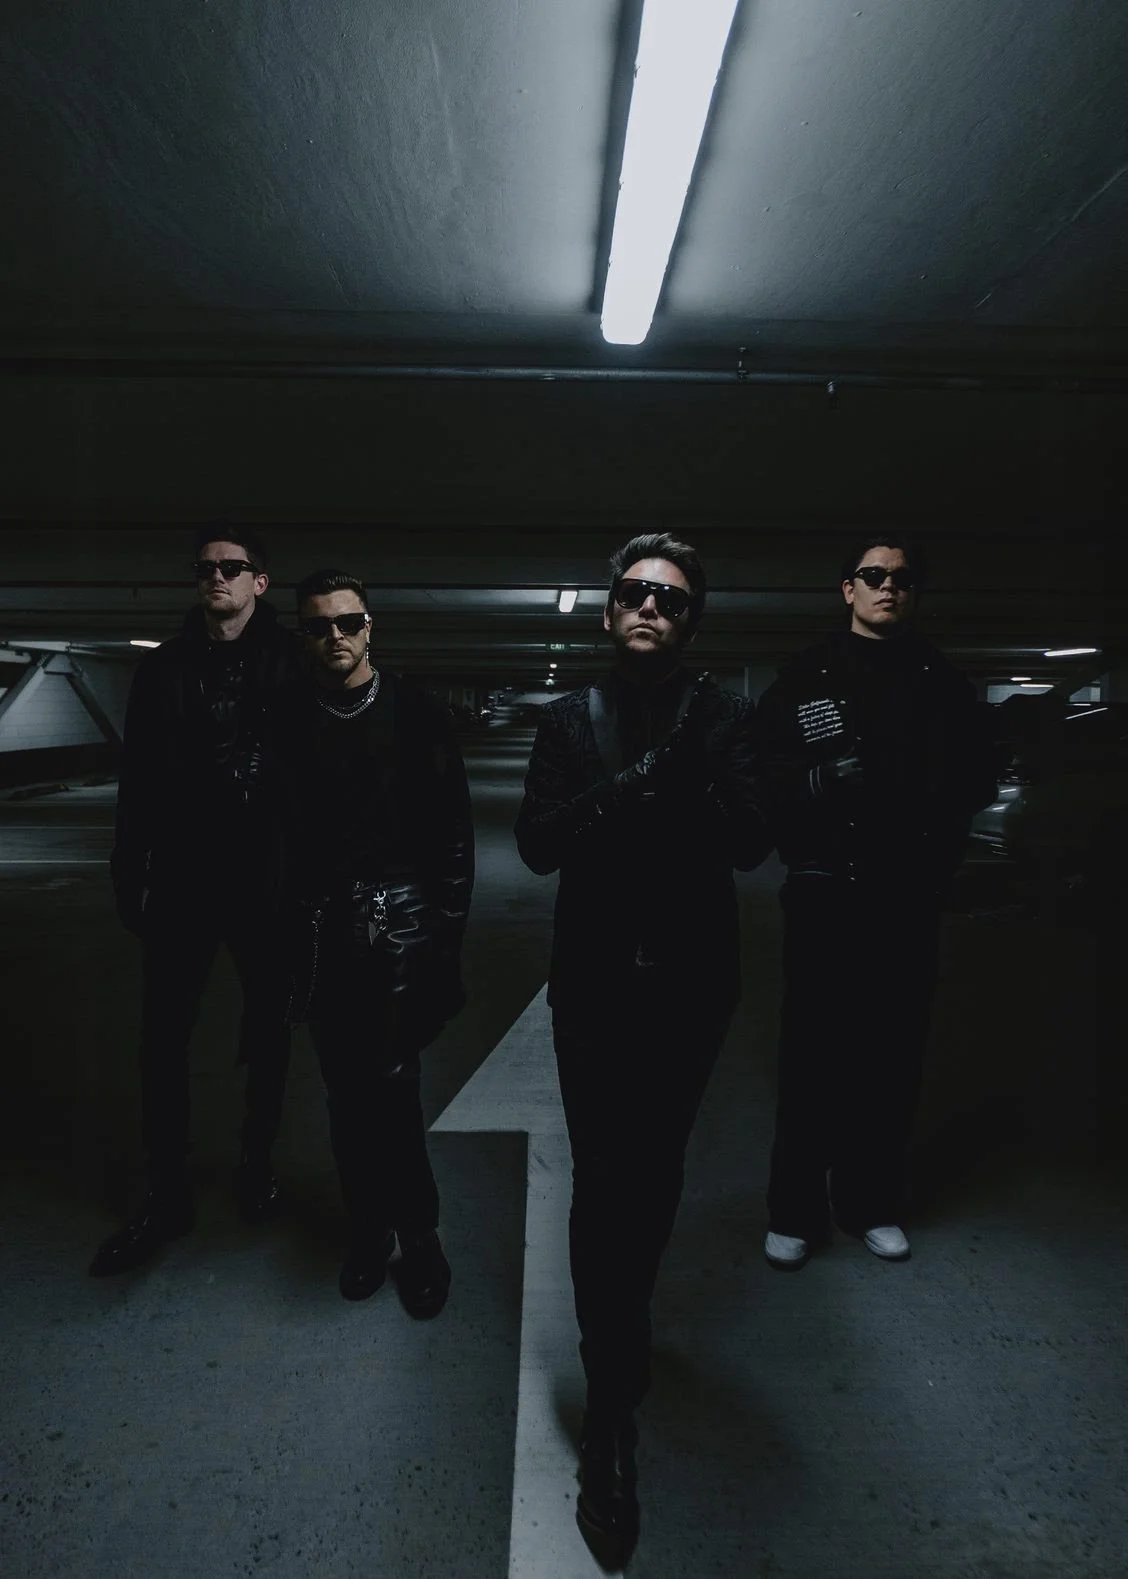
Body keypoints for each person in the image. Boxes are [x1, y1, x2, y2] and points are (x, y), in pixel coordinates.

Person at [514, 532, 770, 1567]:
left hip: (692, 987)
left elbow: (751, 839)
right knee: (602, 1177)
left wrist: (690, 779)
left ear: (691, 619)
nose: (649, 607)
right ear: (610, 607)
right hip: (595, 987)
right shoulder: (569, 719)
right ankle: (609, 1409)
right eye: (633, 592)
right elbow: (539, 843)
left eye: (669, 597)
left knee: (655, 1173)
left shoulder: (728, 715)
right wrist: (648, 780)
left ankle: (621, 1334)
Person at [756, 535, 997, 1271]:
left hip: (905, 899)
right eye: (873, 575)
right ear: (847, 589)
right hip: (826, 893)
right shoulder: (805, 676)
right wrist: (815, 786)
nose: (888, 586)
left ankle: (870, 1203)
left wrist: (933, 862)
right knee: (812, 1057)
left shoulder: (943, 683)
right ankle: (794, 1211)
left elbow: (976, 781)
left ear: (913, 593)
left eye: (901, 578)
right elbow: (763, 775)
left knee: (891, 1056)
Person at [92, 530, 303, 1276]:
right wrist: (129, 868)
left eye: (231, 567)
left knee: (270, 1031)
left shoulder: (293, 661)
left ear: (259, 582)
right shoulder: (163, 668)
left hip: (263, 879)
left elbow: (317, 772)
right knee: (161, 1040)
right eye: (206, 568)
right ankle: (167, 1192)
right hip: (183, 877)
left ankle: (255, 1163)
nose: (217, 577)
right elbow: (139, 776)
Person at [284, 570, 473, 1316]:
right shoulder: (289, 717)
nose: (335, 635)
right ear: (304, 636)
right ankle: (369, 1229)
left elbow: (453, 836)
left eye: (348, 622)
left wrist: (443, 941)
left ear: (370, 628)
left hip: (400, 924)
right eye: (318, 625)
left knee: (392, 1087)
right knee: (344, 1095)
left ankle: (419, 1235)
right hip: (321, 931)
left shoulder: (417, 711)